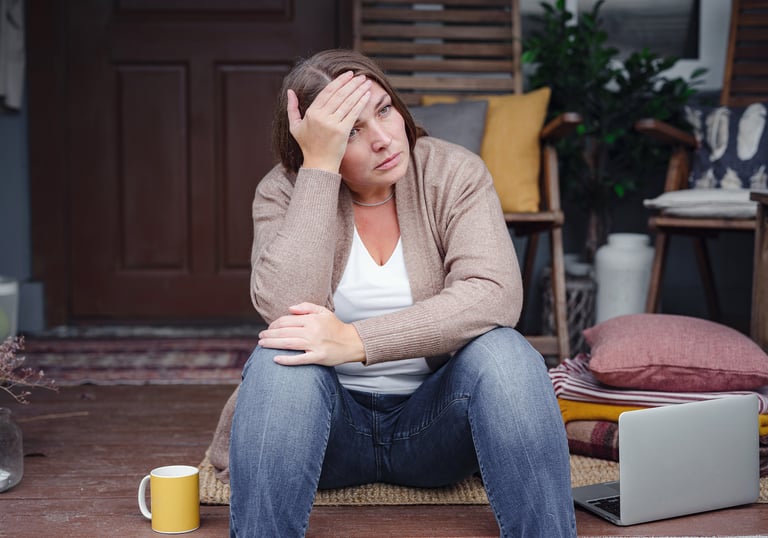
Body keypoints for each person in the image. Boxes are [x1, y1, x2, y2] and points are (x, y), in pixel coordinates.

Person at [209, 48, 577, 537]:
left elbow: (494, 293)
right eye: (351, 131)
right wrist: (319, 170)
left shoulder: (453, 172)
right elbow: (283, 308)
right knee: (282, 359)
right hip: (328, 435)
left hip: (436, 429)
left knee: (506, 352)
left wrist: (356, 340)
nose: (383, 138)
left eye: (384, 110)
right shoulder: (283, 190)